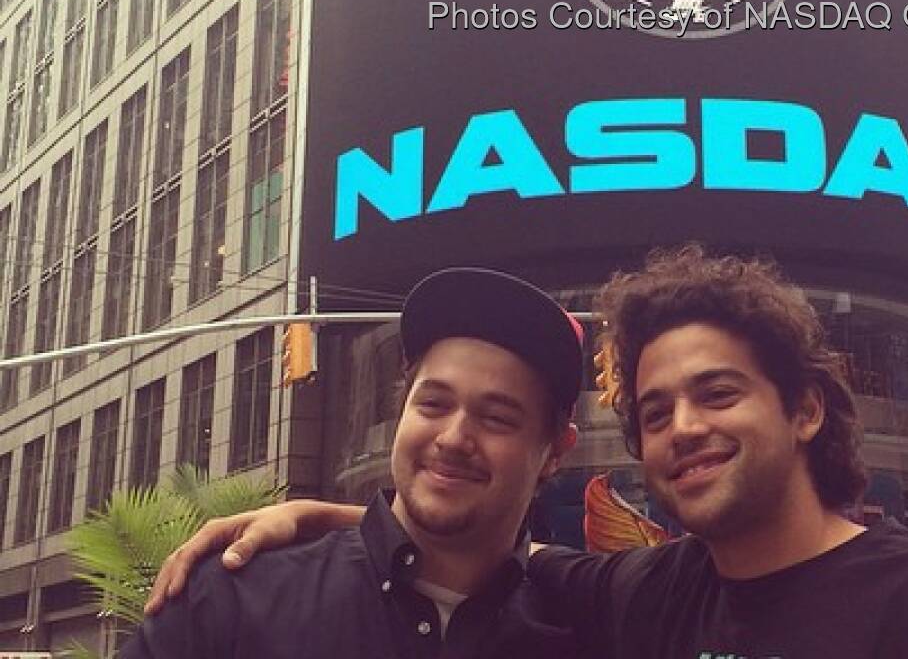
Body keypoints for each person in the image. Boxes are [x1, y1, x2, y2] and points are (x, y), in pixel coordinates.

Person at [148, 246, 908, 659]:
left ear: (806, 409)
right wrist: (323, 518)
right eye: (655, 411)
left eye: (718, 393)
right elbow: (470, 543)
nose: (683, 427)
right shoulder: (647, 594)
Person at [125, 268, 584, 657]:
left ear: (555, 452)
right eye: (433, 404)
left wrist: (312, 512)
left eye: (496, 418)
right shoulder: (230, 598)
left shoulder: (590, 630)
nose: (453, 438)